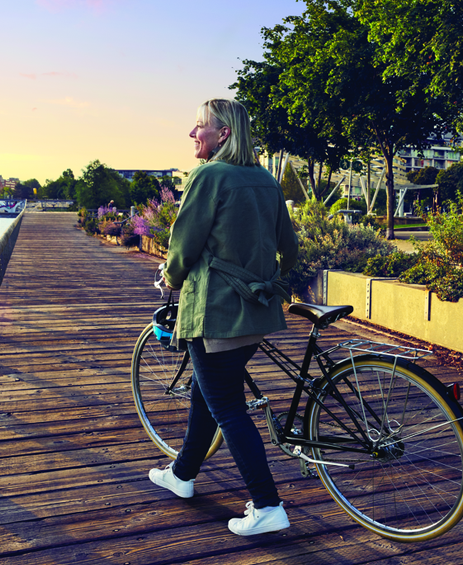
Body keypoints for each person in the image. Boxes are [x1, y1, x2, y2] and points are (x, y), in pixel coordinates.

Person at [148, 98, 299, 536]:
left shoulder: (209, 175)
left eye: (199, 127)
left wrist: (171, 276)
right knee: (207, 392)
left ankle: (268, 505)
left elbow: (184, 245)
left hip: (215, 314)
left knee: (228, 408)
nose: (192, 134)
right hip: (256, 313)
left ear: (224, 134)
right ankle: (182, 475)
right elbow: (289, 251)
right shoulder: (265, 180)